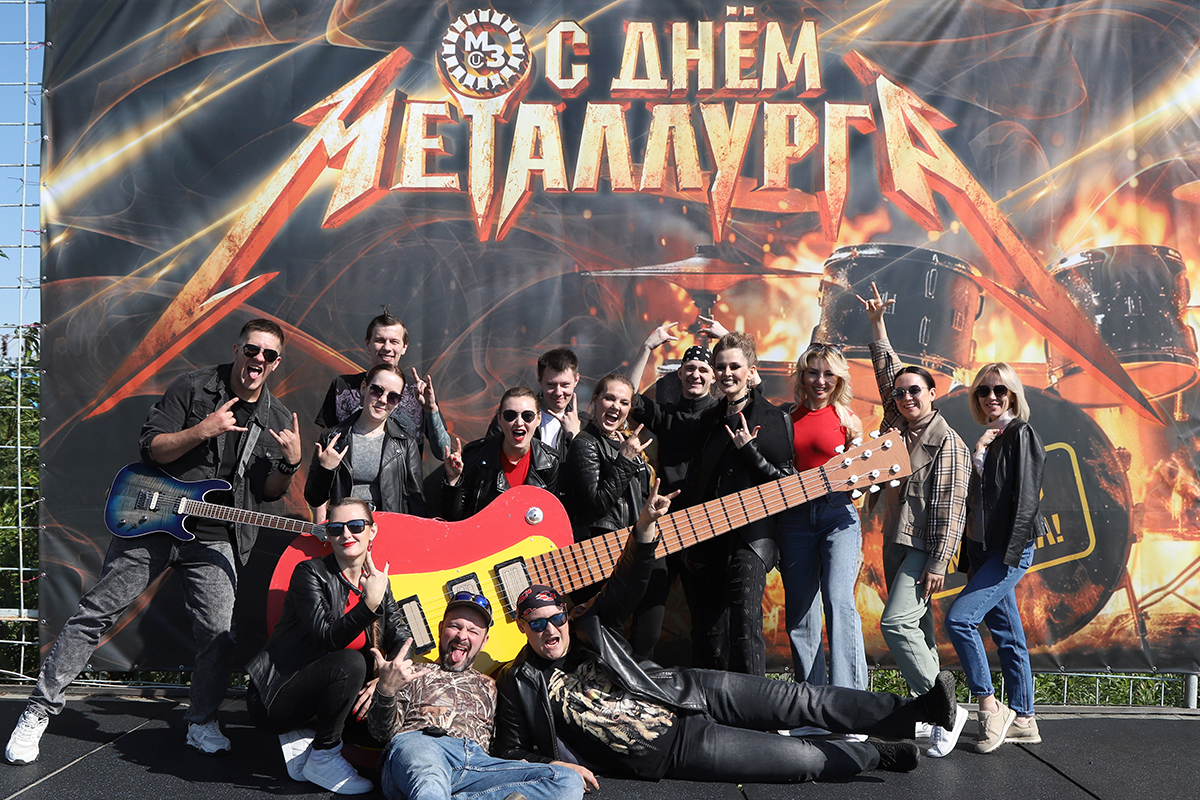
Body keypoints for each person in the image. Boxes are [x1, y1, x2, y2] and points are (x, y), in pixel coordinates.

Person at [493, 482, 960, 787]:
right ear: (522, 627)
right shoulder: (519, 682)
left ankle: (920, 711)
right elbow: (508, 750)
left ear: (566, 613)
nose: (550, 629)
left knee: (802, 700)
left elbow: (626, 584)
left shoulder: (590, 627)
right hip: (674, 749)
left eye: (555, 617)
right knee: (799, 761)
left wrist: (644, 529)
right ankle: (873, 755)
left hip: (689, 688)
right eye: (537, 622)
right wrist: (554, 765)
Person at [6, 319, 303, 764]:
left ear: (276, 363)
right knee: (95, 614)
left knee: (219, 637)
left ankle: (201, 721)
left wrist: (289, 465)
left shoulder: (276, 418)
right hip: (152, 522)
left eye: (268, 355)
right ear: (237, 349)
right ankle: (37, 711)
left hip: (214, 537)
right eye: (251, 350)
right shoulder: (194, 387)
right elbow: (152, 448)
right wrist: (203, 430)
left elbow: (268, 492)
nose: (258, 359)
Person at [859, 283, 971, 758]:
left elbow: (951, 509)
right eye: (902, 393)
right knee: (920, 629)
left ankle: (946, 709)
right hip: (896, 538)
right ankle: (933, 715)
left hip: (924, 547)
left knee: (897, 623)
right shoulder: (899, 425)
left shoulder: (949, 444)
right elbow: (888, 373)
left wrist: (939, 563)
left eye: (915, 391)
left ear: (932, 394)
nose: (906, 396)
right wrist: (878, 325)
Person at [246, 498, 408, 794]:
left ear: (372, 531)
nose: (346, 534)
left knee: (377, 733)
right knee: (351, 662)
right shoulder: (310, 573)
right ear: (328, 535)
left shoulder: (377, 583)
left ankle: (308, 733)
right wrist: (369, 604)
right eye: (336, 528)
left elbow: (403, 637)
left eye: (356, 526)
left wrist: (383, 679)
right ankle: (323, 755)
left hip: (334, 696)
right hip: (276, 697)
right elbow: (328, 637)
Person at [367, 593, 584, 800]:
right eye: (455, 626)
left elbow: (508, 745)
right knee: (430, 782)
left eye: (473, 630)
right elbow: (381, 733)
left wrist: (531, 762)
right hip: (422, 748)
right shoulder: (411, 672)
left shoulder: (494, 686)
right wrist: (385, 690)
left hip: (477, 763)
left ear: (484, 641)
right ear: (441, 629)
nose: (462, 635)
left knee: (567, 781)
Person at [945, 363, 1046, 753]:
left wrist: (1012, 552)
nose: (991, 397)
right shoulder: (990, 440)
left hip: (1008, 549)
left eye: (999, 390)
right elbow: (978, 500)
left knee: (960, 619)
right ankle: (1024, 718)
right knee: (1008, 635)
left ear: (1013, 394)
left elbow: (1027, 499)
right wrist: (979, 452)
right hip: (983, 549)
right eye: (983, 391)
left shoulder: (1022, 434)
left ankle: (990, 706)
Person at [683, 331, 794, 676]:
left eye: (735, 366)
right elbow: (697, 479)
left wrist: (750, 451)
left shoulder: (772, 417)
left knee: (744, 627)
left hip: (752, 538)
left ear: (751, 371)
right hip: (707, 535)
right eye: (721, 367)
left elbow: (786, 485)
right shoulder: (709, 418)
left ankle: (754, 703)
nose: (727, 373)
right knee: (708, 633)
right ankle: (713, 703)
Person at [624, 320, 721, 661]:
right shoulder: (666, 416)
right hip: (664, 523)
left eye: (703, 369)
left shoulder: (720, 415)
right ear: (679, 374)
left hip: (705, 524)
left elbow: (752, 391)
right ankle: (639, 672)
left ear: (714, 377)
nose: (695, 374)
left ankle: (710, 683)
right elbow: (628, 398)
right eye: (689, 368)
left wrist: (726, 340)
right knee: (649, 610)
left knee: (708, 619)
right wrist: (647, 348)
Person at [778, 343, 869, 690]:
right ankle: (812, 700)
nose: (820, 381)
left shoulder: (850, 421)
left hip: (837, 516)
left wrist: (857, 481)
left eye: (829, 374)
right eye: (813, 372)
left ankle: (850, 698)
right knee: (801, 611)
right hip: (794, 519)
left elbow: (860, 484)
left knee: (839, 601)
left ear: (839, 379)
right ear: (802, 376)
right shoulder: (786, 419)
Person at [315, 308, 450, 460]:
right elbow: (326, 446)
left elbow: (443, 453)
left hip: (403, 475)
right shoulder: (342, 386)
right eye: (380, 341)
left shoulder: (419, 391)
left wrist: (431, 410)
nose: (387, 348)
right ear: (367, 344)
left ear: (404, 347)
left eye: (394, 342)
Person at [304, 363, 426, 516]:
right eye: (377, 390)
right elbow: (313, 498)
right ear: (363, 388)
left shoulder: (406, 444)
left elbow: (416, 502)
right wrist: (326, 470)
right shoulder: (332, 438)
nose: (383, 400)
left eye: (393, 397)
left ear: (398, 403)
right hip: (344, 526)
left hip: (388, 526)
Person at [442, 387, 561, 521]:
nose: (519, 422)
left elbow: (550, 519)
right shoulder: (476, 455)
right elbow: (452, 518)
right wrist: (453, 480)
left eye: (527, 416)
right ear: (499, 418)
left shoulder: (549, 462)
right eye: (510, 415)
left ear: (538, 419)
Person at [562, 373, 652, 542]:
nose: (616, 406)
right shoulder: (585, 443)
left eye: (624, 402)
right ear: (595, 399)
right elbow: (596, 505)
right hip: (606, 545)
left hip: (634, 540)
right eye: (610, 398)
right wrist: (625, 461)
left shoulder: (626, 443)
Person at [534, 347, 581, 461]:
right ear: (540, 380)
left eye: (565, 385)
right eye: (551, 385)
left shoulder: (586, 423)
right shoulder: (516, 418)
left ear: (576, 380)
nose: (558, 392)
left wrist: (576, 437)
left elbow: (590, 469)